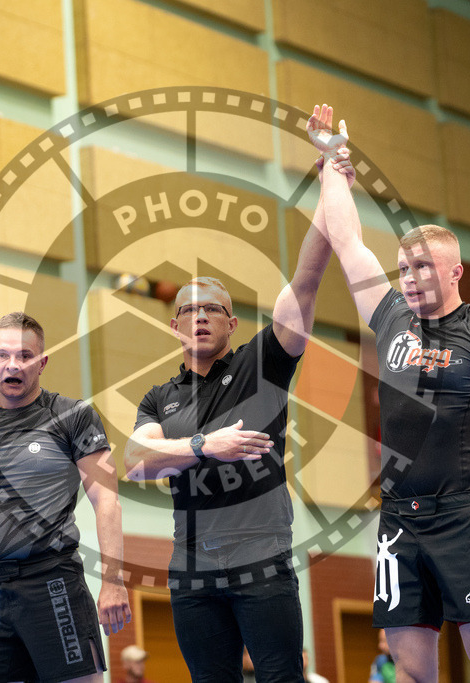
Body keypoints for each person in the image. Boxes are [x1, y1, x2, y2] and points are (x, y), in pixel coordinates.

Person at [308, 103, 470, 683]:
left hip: (464, 514)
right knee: (413, 672)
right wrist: (332, 162)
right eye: (402, 269)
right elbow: (346, 242)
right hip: (397, 520)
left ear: (455, 271)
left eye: (421, 268)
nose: (409, 279)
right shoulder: (390, 318)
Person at [123, 104, 339, 683]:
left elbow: (308, 281)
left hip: (261, 557)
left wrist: (331, 182)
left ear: (232, 324)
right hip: (191, 566)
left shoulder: (261, 365)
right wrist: (200, 446)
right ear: (173, 326)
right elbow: (134, 463)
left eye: (212, 310)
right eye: (187, 310)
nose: (199, 317)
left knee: (279, 678)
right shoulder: (158, 397)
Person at [0, 312, 132, 683]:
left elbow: (107, 501)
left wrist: (113, 580)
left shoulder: (73, 416)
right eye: (3, 355)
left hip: (53, 581)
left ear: (42, 362)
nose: (13, 364)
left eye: (25, 356)